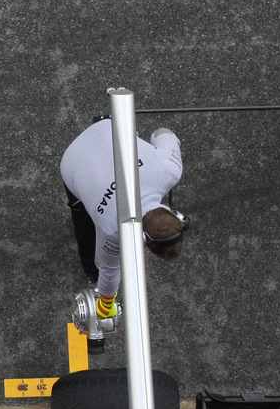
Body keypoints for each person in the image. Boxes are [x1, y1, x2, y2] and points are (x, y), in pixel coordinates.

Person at [59, 119, 186, 326]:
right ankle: (91, 273)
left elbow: (162, 132)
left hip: (108, 128)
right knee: (85, 229)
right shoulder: (112, 230)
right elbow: (109, 271)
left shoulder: (170, 169)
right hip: (72, 161)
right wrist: (104, 306)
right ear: (144, 240)